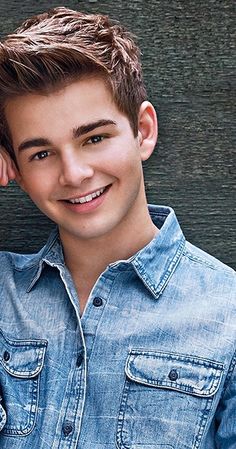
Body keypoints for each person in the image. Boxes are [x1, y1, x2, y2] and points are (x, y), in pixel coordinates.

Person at [0, 6, 235, 449]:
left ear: (142, 131)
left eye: (94, 138)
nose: (74, 174)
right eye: (41, 153)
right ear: (14, 167)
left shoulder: (229, 314)